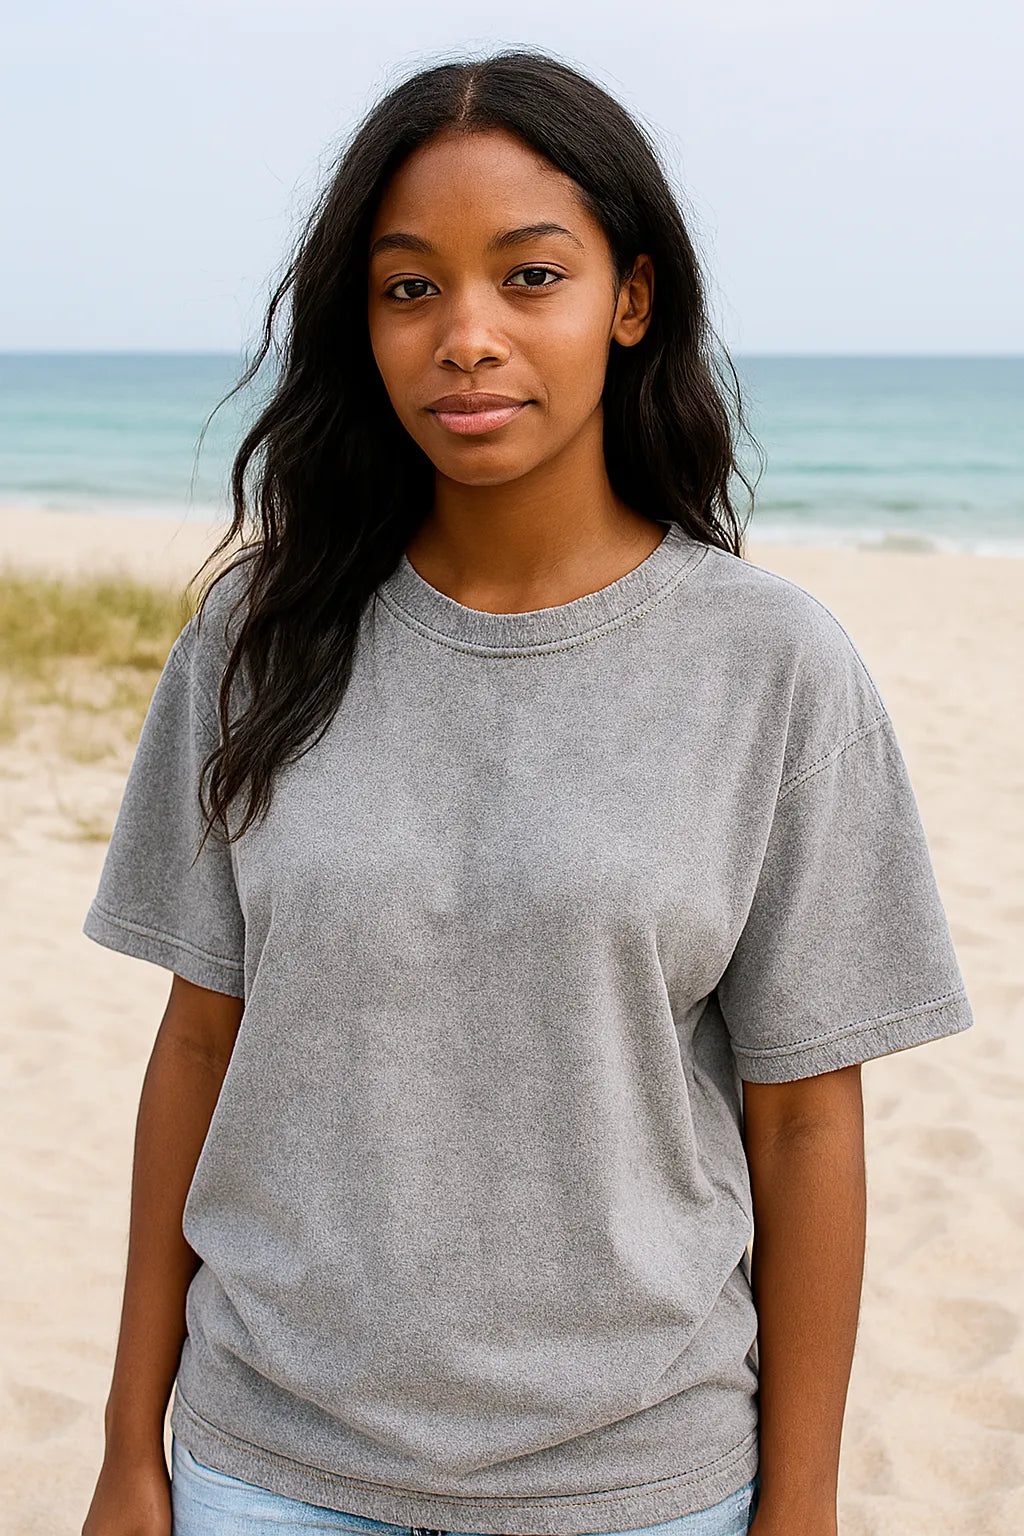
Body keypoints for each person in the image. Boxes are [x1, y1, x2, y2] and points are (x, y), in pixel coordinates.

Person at [80, 48, 973, 1536]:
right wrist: (129, 1452)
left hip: (645, 1481)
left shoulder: (773, 667)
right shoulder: (255, 642)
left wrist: (801, 1506)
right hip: (269, 1469)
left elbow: (810, 1121)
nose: (466, 336)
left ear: (630, 300)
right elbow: (196, 1044)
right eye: (410, 287)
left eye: (530, 277)